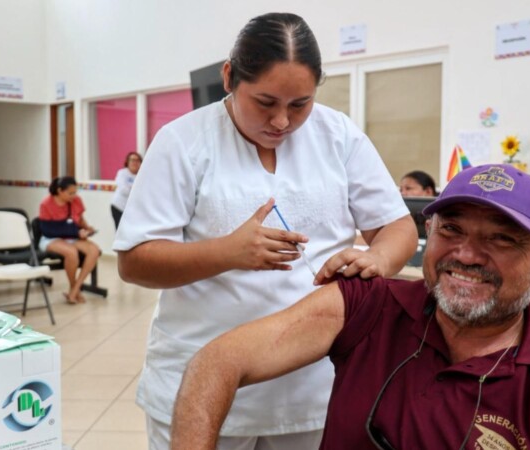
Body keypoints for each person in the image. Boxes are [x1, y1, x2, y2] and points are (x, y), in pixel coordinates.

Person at [114, 12, 417, 450]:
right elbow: (135, 260)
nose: (281, 122)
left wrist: (377, 259)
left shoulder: (337, 135)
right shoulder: (183, 142)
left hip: (311, 384)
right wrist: (228, 252)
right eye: (265, 102)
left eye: (299, 105)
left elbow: (397, 226)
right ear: (229, 77)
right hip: (202, 383)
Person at [171, 164, 530, 449]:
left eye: (501, 238)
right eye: (451, 230)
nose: (466, 254)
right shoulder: (370, 305)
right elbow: (216, 363)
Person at [38, 176, 100, 304]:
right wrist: (76, 232)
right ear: (60, 191)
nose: (74, 195)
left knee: (94, 250)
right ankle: (74, 287)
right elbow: (48, 230)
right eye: (70, 193)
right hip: (51, 238)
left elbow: (80, 219)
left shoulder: (76, 201)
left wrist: (87, 228)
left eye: (75, 192)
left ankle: (75, 289)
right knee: (71, 252)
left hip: (72, 237)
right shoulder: (46, 204)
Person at [110, 151, 142, 229]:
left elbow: (143, 192)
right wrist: (136, 190)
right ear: (127, 162)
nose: (135, 162)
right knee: (120, 231)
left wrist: (132, 189)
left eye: (137, 160)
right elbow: (124, 190)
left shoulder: (141, 175)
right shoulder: (122, 173)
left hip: (133, 210)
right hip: (119, 207)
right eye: (132, 160)